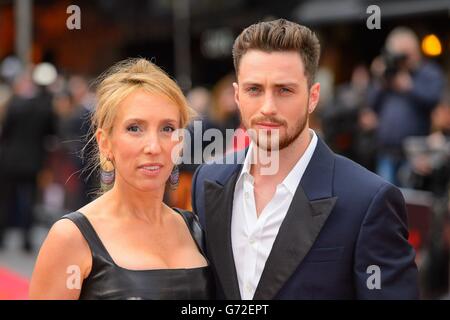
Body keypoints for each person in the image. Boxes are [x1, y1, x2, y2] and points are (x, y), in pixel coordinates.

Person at [191, 19, 419, 299]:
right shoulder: (208, 180)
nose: (268, 108)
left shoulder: (368, 200)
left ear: (313, 97)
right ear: (237, 96)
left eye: (284, 90)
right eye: (254, 90)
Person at [29, 58, 214, 300]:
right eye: (135, 128)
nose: (153, 146)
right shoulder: (72, 237)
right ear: (105, 142)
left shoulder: (197, 229)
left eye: (167, 128)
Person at [367, 27, 445, 186]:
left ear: (415, 51)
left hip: (415, 156)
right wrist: (379, 80)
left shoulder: (428, 72)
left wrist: (410, 86)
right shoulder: (388, 76)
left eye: (405, 54)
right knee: (384, 202)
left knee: (409, 205)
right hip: (386, 152)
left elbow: (435, 98)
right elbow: (370, 104)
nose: (401, 60)